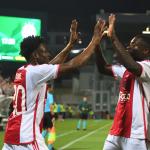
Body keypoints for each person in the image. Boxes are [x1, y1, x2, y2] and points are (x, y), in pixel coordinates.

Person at [2, 18, 105, 150]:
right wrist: (95, 40)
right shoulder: (36, 72)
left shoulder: (23, 71)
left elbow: (53, 64)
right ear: (35, 55)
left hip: (11, 137)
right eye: (44, 51)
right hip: (27, 138)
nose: (48, 53)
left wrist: (70, 45)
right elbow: (75, 64)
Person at [95, 14, 150, 150]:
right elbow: (103, 68)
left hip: (137, 135)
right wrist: (96, 44)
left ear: (146, 50)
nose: (129, 47)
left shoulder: (147, 66)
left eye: (134, 45)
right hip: (116, 132)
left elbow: (132, 66)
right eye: (130, 44)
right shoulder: (125, 70)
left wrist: (113, 37)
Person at [42, 84, 56, 150]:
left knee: (46, 129)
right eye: (51, 87)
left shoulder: (42, 95)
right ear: (49, 88)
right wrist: (53, 115)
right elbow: (51, 106)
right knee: (51, 131)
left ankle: (39, 144)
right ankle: (50, 148)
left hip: (42, 114)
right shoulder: (50, 95)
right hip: (48, 114)